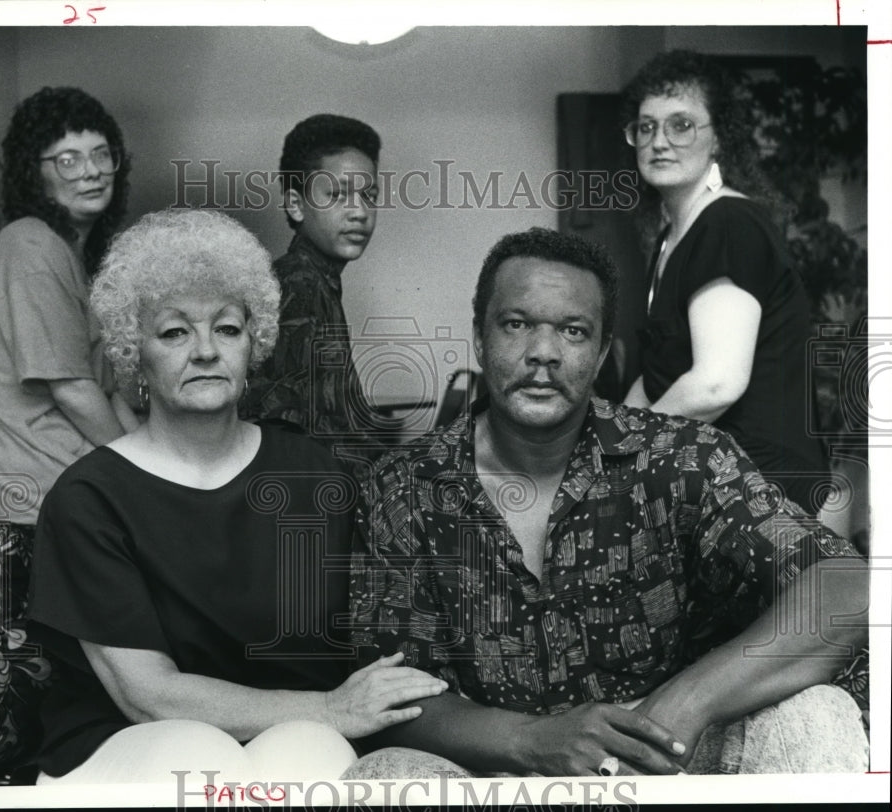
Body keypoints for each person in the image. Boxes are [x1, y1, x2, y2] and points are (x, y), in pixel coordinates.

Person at [349, 227, 868, 777]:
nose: (542, 353)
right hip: (496, 769)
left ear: (600, 354)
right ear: (479, 338)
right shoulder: (402, 488)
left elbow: (847, 583)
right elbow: (394, 695)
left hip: (667, 756)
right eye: (517, 324)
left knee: (814, 716)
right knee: (385, 772)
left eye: (573, 331)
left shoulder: (680, 458)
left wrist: (684, 703)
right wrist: (533, 740)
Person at [26, 209, 449, 783]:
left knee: (311, 755)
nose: (205, 350)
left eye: (226, 328)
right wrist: (330, 709)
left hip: (289, 735)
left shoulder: (317, 475)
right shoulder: (88, 498)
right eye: (174, 332)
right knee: (199, 757)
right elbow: (147, 696)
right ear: (134, 353)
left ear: (255, 343)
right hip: (128, 746)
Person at [619, 50, 829, 516]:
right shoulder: (670, 236)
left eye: (682, 125)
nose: (659, 141)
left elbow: (716, 383)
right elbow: (657, 377)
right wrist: (603, 439)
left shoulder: (730, 222)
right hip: (711, 470)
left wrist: (621, 453)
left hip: (758, 481)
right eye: (647, 127)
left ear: (719, 140)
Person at [0, 87, 138, 524]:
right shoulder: (32, 246)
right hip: (33, 498)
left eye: (101, 154)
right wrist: (144, 473)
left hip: (63, 479)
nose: (92, 171)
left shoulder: (70, 254)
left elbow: (107, 394)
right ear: (33, 174)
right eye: (68, 159)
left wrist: (159, 463)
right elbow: (73, 391)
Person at [241, 114, 388, 462]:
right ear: (295, 204)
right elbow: (287, 434)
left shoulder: (315, 280)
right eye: (338, 194)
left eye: (370, 196)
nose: (360, 212)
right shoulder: (298, 286)